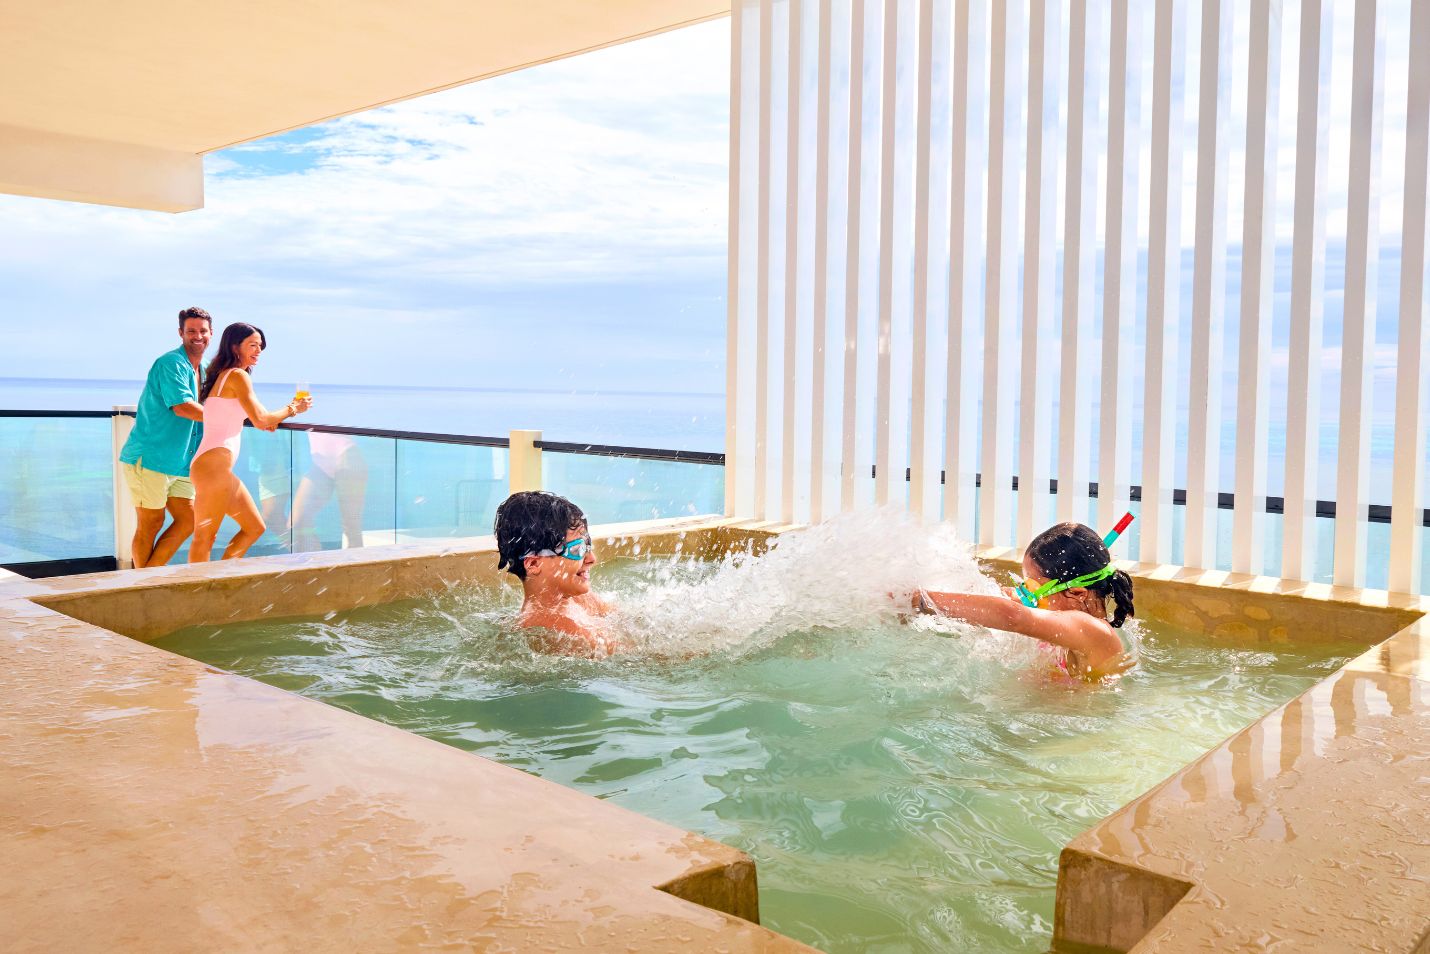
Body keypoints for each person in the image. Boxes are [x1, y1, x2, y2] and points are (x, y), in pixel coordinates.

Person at [912, 522, 1136, 680]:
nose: (1025, 598)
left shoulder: (1093, 630)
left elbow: (1012, 616)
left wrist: (922, 600)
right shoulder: (1064, 619)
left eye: (1032, 589)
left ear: (1077, 593)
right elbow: (998, 600)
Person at [188, 323, 312, 562]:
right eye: (252, 345)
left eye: (260, 347)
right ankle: (198, 592)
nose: (258, 351)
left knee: (254, 527)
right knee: (205, 537)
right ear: (235, 347)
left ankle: (220, 578)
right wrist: (294, 408)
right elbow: (261, 419)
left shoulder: (224, 376)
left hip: (211, 465)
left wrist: (275, 417)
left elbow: (263, 418)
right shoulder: (237, 375)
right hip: (213, 466)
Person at [117, 307, 212, 568]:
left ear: (211, 333)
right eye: (191, 331)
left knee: (188, 520)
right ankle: (141, 586)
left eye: (202, 331)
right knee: (151, 523)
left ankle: (146, 578)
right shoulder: (171, 363)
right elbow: (182, 407)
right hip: (151, 458)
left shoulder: (204, 369)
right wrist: (223, 419)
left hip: (181, 462)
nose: (197, 336)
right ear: (181, 333)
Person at [494, 490, 617, 655]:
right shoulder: (549, 631)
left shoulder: (580, 599)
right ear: (534, 563)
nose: (591, 558)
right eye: (577, 549)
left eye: (587, 545)